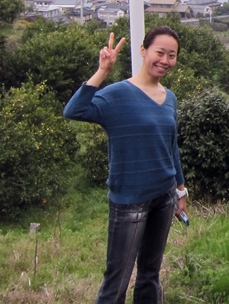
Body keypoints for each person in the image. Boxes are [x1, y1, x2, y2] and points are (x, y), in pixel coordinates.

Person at [64, 27, 187, 304]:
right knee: (116, 281)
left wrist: (180, 190)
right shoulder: (118, 94)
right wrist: (103, 72)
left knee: (150, 276)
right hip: (129, 200)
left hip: (165, 197)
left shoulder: (170, 97)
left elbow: (171, 146)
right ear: (143, 51)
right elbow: (74, 110)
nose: (165, 60)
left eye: (172, 55)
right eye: (159, 52)